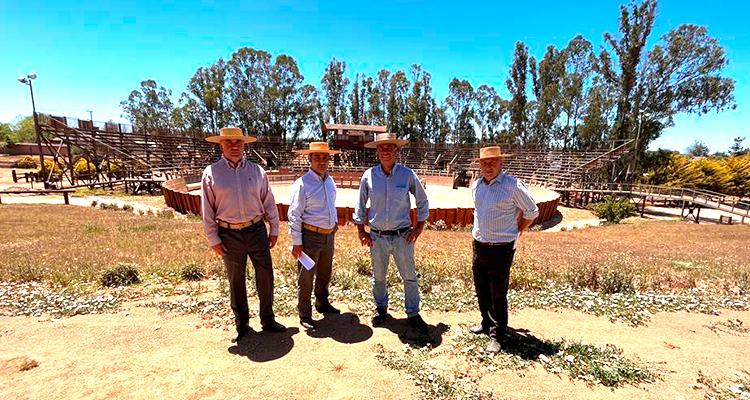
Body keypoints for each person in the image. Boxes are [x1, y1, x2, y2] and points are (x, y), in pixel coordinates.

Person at [200, 127, 286, 343]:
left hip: (256, 229)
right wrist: (213, 238)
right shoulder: (211, 173)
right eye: (228, 142)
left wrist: (274, 228)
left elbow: (268, 201)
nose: (234, 146)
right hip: (228, 234)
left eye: (238, 142)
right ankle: (242, 324)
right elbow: (207, 210)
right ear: (221, 145)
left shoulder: (257, 171)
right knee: (235, 280)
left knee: (265, 275)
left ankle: (268, 319)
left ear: (244, 144)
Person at [353, 132, 430, 334]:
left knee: (409, 277)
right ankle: (381, 309)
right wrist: (361, 230)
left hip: (402, 236)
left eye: (390, 147)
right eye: (381, 148)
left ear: (396, 150)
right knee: (379, 277)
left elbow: (422, 201)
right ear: (377, 151)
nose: (385, 151)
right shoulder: (368, 176)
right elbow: (360, 205)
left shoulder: (407, 174)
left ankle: (413, 313)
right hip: (377, 236)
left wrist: (419, 227)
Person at [469, 146, 539, 353]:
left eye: (492, 162)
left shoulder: (513, 186)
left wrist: (517, 230)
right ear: (479, 165)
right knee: (482, 289)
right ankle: (485, 322)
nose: (488, 166)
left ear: (501, 163)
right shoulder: (476, 186)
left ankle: (497, 335)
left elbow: (532, 212)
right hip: (479, 246)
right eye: (484, 162)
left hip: (501, 248)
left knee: (498, 293)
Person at [288, 142, 342, 330]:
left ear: (329, 159)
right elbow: (294, 214)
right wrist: (297, 242)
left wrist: (333, 223)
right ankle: (304, 313)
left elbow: (331, 204)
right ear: (309, 159)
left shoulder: (330, 180)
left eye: (325, 157)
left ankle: (322, 303)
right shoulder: (302, 184)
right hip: (310, 235)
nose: (321, 161)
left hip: (328, 235)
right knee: (306, 276)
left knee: (324, 273)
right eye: (317, 157)